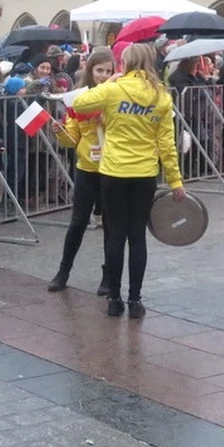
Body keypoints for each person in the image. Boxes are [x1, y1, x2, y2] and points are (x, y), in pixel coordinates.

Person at [73, 43, 185, 319]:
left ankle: (114, 299)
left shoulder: (114, 89)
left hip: (113, 172)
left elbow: (79, 103)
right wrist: (175, 180)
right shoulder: (161, 95)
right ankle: (135, 300)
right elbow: (166, 144)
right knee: (137, 237)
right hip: (144, 173)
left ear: (126, 63)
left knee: (115, 236)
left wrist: (109, 82)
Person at [48, 47, 114, 295]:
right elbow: (72, 138)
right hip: (86, 167)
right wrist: (61, 132)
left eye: (109, 71)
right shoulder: (78, 99)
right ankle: (63, 271)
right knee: (77, 222)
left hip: (112, 168)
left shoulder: (116, 96)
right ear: (90, 71)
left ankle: (108, 276)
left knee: (111, 224)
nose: (104, 76)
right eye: (99, 70)